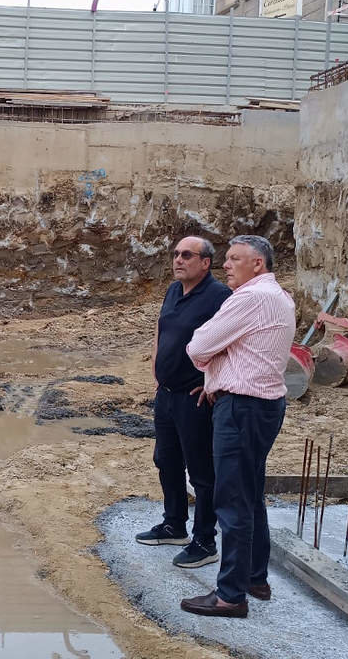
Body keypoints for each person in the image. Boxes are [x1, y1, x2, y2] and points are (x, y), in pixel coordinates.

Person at [180, 235, 295, 619]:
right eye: (226, 258)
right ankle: (253, 578)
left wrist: (218, 355)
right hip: (262, 406)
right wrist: (223, 358)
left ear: (257, 264)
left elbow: (197, 347)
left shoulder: (250, 298)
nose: (225, 265)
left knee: (231, 501)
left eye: (234, 259)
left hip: (242, 409)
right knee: (249, 494)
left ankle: (230, 595)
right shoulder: (277, 296)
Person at [135, 236, 232, 571]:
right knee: (166, 459)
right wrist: (156, 366)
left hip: (195, 397)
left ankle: (204, 541)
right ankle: (174, 524)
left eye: (186, 255)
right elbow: (162, 330)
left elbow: (231, 342)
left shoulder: (220, 297)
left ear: (205, 263)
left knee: (202, 472)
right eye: (175, 254)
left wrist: (212, 381)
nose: (178, 260)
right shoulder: (174, 290)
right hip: (167, 393)